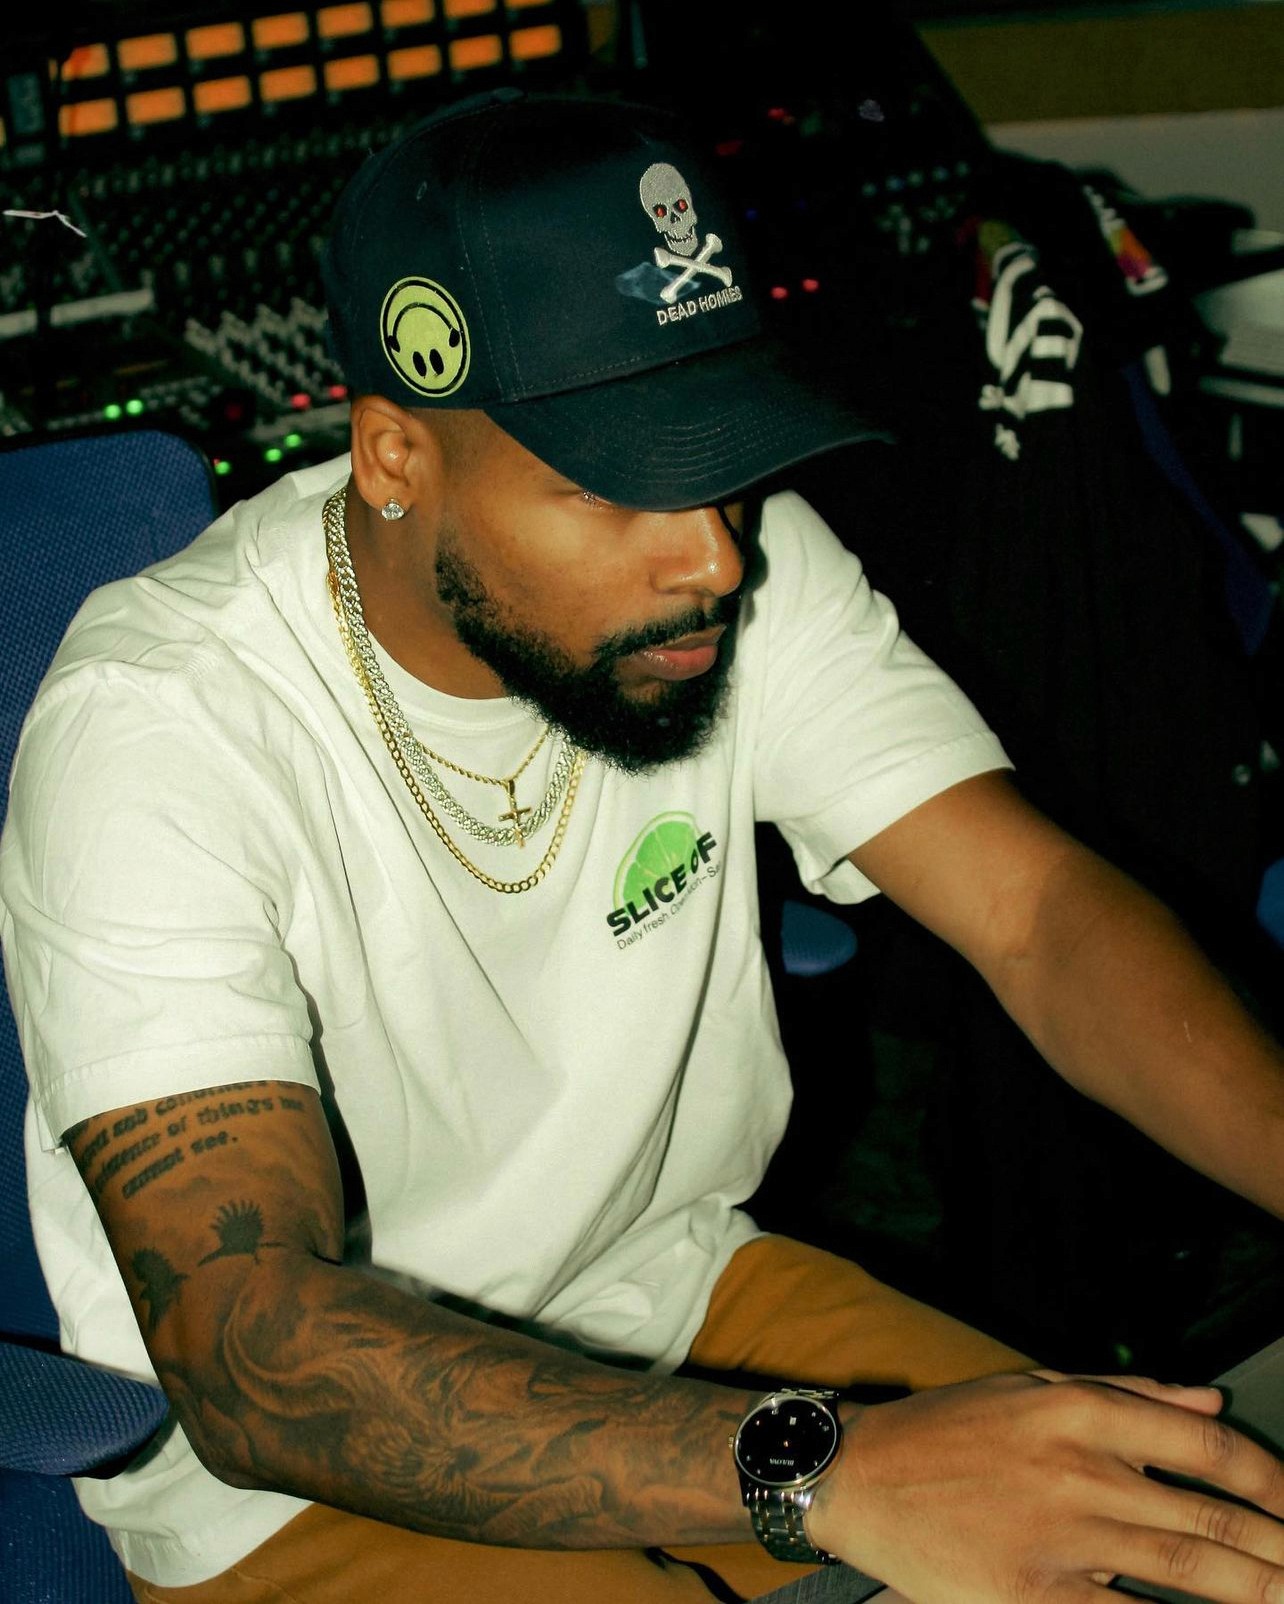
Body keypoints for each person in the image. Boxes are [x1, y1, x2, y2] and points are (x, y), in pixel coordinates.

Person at [3, 88, 1284, 1604]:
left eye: (723, 459)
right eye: (612, 483)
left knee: (1177, 1564)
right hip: (299, 1479)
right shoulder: (162, 720)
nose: (712, 555)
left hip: (670, 1288)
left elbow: (1037, 916)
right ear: (396, 456)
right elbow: (248, 1344)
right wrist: (828, 1474)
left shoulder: (729, 575)